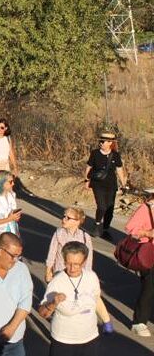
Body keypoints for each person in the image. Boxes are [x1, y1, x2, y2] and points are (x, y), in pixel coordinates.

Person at [38, 242, 101, 356]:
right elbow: (43, 313)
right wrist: (53, 303)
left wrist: (106, 321)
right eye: (68, 263)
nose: (72, 268)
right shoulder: (57, 282)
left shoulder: (92, 277)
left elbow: (97, 300)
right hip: (64, 341)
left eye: (77, 264)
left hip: (90, 338)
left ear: (84, 262)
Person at [84, 131, 127, 239]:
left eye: (103, 141)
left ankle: (106, 229)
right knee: (102, 206)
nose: (101, 143)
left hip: (111, 185)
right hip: (97, 184)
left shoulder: (115, 155)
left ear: (110, 143)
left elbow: (120, 170)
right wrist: (86, 180)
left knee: (110, 209)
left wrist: (123, 184)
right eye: (100, 141)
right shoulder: (95, 153)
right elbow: (89, 167)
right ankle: (97, 225)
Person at [124, 194, 154, 337]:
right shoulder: (146, 208)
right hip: (149, 254)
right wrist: (149, 233)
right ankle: (139, 322)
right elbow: (131, 228)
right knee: (149, 287)